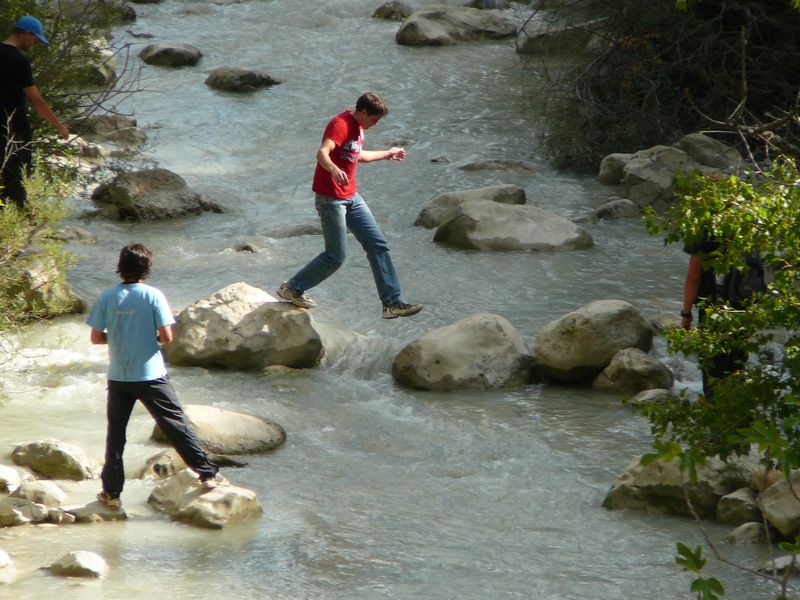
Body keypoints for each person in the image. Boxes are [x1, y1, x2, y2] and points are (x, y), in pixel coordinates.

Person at [87, 244, 226, 510]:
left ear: (121, 266)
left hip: (119, 377)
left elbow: (95, 338)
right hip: (150, 375)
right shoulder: (153, 295)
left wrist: (117, 336)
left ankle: (111, 493)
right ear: (146, 268)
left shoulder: (107, 296)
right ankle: (207, 474)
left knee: (116, 435)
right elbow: (167, 337)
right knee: (175, 424)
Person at [276, 92, 423, 320]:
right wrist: (333, 169)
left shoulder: (359, 128)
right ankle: (293, 288)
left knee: (378, 245)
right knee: (336, 256)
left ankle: (391, 304)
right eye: (374, 119)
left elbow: (357, 155)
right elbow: (322, 153)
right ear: (363, 112)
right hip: (331, 200)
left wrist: (387, 154)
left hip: (352, 198)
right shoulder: (340, 124)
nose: (376, 124)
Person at [1, 15, 69, 209]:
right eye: (35, 38)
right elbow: (36, 100)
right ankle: (14, 221)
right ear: (25, 33)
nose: (35, 42)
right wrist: (60, 126)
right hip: (15, 130)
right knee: (17, 179)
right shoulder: (19, 61)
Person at [680, 235, 748, 397]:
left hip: (714, 310)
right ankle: (740, 412)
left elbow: (694, 277)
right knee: (737, 364)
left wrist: (686, 314)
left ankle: (716, 412)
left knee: (714, 369)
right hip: (744, 309)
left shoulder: (702, 228)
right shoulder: (747, 216)